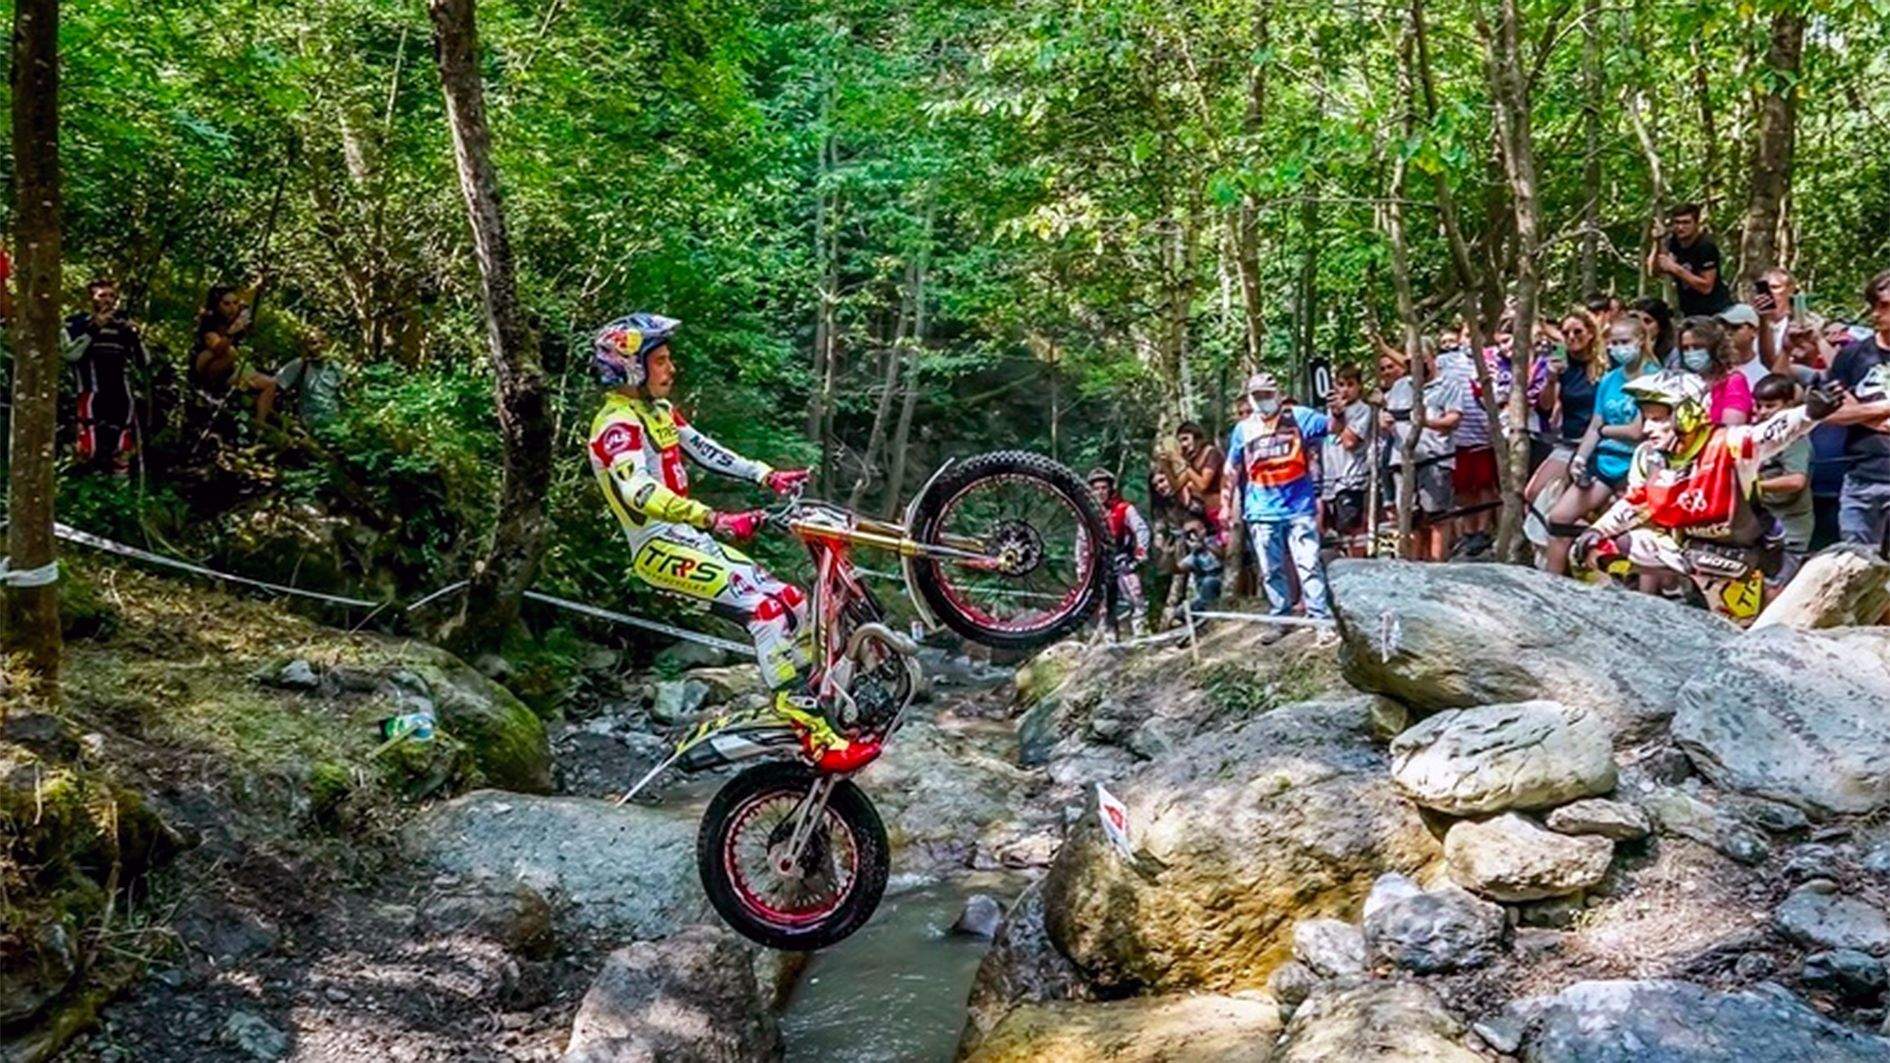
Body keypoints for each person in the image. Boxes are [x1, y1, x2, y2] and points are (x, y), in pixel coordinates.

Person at [584, 312, 831, 746]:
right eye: (660, 360)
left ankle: (810, 695)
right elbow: (640, 492)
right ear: (631, 366)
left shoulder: (657, 411)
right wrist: (714, 518)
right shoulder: (616, 425)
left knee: (794, 601)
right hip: (656, 549)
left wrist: (765, 475)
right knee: (765, 611)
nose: (671, 368)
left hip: (688, 539)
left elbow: (705, 449)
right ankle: (805, 723)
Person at [1570, 372, 1843, 619]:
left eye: (1658, 419)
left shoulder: (1731, 443)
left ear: (1686, 413)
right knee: (1587, 550)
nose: (1647, 429)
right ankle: (1604, 618)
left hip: (1731, 558)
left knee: (1741, 634)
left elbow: (1773, 433)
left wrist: (1810, 413)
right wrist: (1598, 529)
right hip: (1678, 547)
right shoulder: (1649, 455)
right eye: (1646, 419)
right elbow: (1636, 502)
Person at [1547, 316, 1659, 574]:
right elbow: (1595, 423)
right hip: (1606, 461)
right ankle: (1551, 584)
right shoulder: (1609, 380)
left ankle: (1646, 594)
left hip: (1640, 465)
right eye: (1613, 343)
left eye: (1624, 342)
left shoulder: (1655, 378)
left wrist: (1605, 430)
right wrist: (1580, 459)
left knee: (1641, 531)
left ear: (1640, 342)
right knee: (1559, 518)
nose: (1618, 348)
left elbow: (1637, 431)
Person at [1222, 371, 1333, 629]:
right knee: (1271, 570)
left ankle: (1320, 617)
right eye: (1257, 396)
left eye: (1267, 395)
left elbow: (1332, 428)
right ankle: (1281, 617)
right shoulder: (1243, 429)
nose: (1263, 400)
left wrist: (1337, 412)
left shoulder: (1299, 417)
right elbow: (1232, 467)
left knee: (1308, 564)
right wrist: (1226, 504)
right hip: (1261, 509)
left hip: (1299, 506)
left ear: (1278, 395)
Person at [1818, 269, 1890, 547]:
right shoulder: (1853, 355)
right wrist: (1882, 411)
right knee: (1854, 565)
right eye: (1873, 305)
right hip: (1863, 478)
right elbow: (1833, 412)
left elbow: (1850, 411)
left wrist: (1859, 410)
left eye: (1884, 306)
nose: (1875, 313)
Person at [1378, 340, 1467, 562]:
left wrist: (1426, 422)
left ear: (1431, 357)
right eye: (1409, 361)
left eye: (1420, 360)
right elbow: (1385, 414)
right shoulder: (1400, 386)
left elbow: (1454, 419)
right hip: (1402, 461)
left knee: (1437, 516)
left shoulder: (1449, 385)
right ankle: (1414, 566)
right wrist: (1383, 420)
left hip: (1435, 458)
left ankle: (1437, 565)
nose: (1414, 365)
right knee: (1410, 518)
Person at [62, 278, 147, 476]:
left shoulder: (123, 327)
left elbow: (144, 362)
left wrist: (135, 336)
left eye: (111, 296)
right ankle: (79, 492)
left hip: (120, 393)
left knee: (122, 446)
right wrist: (94, 329)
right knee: (87, 446)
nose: (107, 301)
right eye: (102, 296)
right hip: (91, 391)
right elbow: (70, 354)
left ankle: (120, 496)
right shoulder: (76, 323)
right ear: (91, 298)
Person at [190, 282, 278, 423]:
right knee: (229, 352)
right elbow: (217, 348)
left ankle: (259, 424)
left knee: (270, 383)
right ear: (217, 304)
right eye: (227, 304)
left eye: (235, 303)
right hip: (207, 368)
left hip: (232, 370)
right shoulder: (210, 320)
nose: (232, 308)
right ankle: (211, 390)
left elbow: (250, 295)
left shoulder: (239, 314)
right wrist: (231, 333)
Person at [1751, 373, 1815, 564]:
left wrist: (1754, 485)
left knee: (1778, 589)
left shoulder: (1794, 439)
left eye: (1771, 406)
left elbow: (1796, 481)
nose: (1763, 412)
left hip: (1790, 530)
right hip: (1762, 528)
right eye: (1759, 406)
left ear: (1788, 405)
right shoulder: (1758, 435)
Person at [1088, 468, 1151, 637]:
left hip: (1123, 559)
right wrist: (1082, 568)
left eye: (1103, 488)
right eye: (1096, 489)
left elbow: (1142, 529)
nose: (1100, 492)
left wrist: (1140, 553)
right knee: (1105, 605)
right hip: (1100, 564)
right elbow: (1082, 543)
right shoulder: (1087, 514)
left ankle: (1140, 635)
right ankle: (1110, 640)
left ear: (1110, 489)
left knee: (1136, 597)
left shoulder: (1124, 508)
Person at [1648, 203, 1733, 318]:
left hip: (1715, 311)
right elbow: (1653, 271)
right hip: (1690, 311)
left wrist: (1676, 269)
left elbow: (1706, 287)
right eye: (1677, 222)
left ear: (1696, 224)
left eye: (1686, 222)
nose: (1680, 227)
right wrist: (1657, 242)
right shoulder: (1674, 242)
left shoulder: (1705, 246)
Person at [1321, 365, 1372, 547]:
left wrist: (1340, 417)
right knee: (1337, 535)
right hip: (1331, 480)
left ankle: (1357, 568)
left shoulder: (1363, 410)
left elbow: (1350, 442)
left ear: (1359, 386)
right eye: (1341, 384)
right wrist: (1335, 414)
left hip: (1352, 479)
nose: (1345, 390)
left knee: (1354, 533)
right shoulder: (1331, 410)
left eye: (1350, 384)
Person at [1675, 316, 1751, 426]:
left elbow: (1730, 428)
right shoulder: (1681, 383)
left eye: (1697, 347)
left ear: (1714, 347)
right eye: (1685, 348)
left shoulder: (1733, 381)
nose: (1691, 353)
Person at [272, 328, 345, 430]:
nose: (318, 346)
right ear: (306, 346)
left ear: (328, 344)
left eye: (322, 342)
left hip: (334, 423)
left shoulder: (336, 367)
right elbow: (275, 385)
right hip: (309, 421)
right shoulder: (299, 364)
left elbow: (343, 394)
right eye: (313, 343)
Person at [1174, 422, 1224, 534]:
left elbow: (1203, 485)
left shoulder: (1211, 453)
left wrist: (1183, 464)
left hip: (1219, 509)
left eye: (1186, 439)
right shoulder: (1191, 459)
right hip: (1203, 513)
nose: (1183, 444)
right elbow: (1176, 486)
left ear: (1197, 439)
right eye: (1180, 441)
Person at [1717, 303, 1769, 391]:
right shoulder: (1714, 368)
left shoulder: (1765, 368)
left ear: (1755, 331)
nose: (1728, 332)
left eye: (1735, 327)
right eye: (1724, 327)